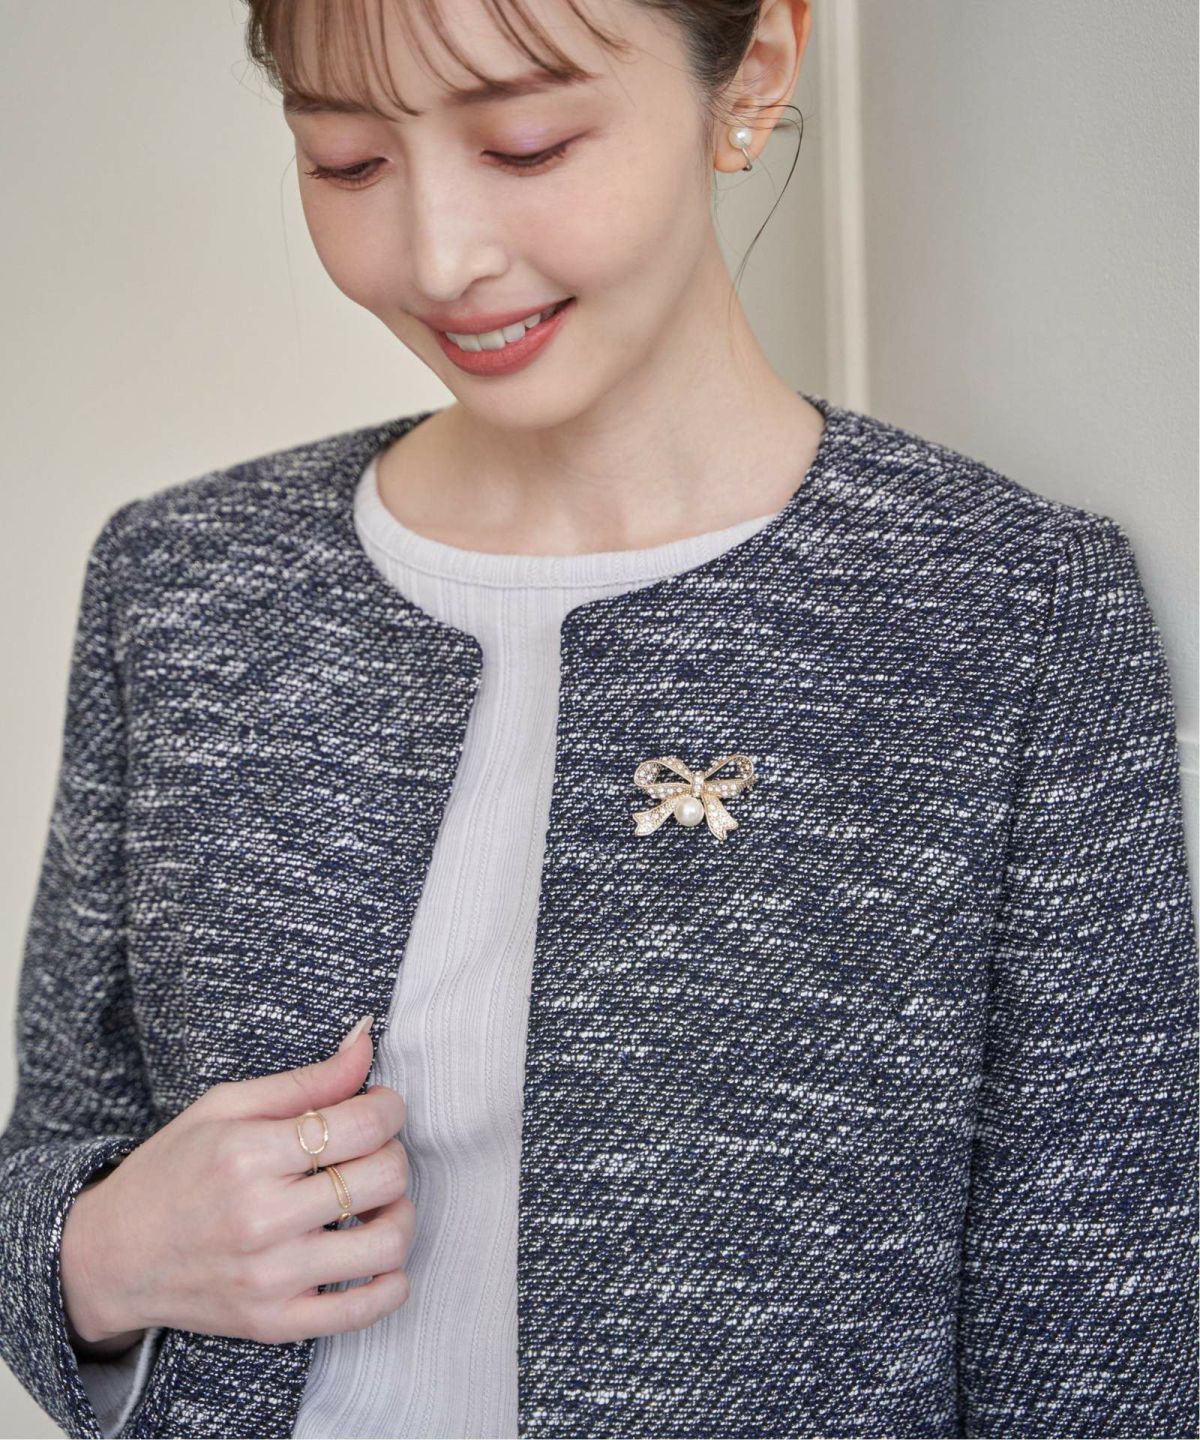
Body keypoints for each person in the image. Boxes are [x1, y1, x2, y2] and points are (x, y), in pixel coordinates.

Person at [1, 1, 1196, 1438]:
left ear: (753, 73)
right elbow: (57, 1151)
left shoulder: (1002, 608)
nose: (439, 258)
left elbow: (1101, 1328)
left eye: (526, 144)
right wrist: (94, 1258)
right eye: (347, 161)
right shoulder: (185, 582)